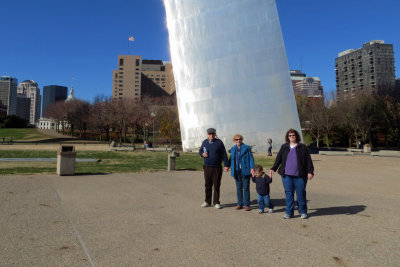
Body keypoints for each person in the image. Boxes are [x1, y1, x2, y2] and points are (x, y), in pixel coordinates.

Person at [270, 129, 314, 219]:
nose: (292, 136)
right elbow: (278, 159)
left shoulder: (303, 147)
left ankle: (303, 212)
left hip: (300, 175)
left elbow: (308, 160)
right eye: (290, 135)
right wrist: (273, 168)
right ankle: (289, 212)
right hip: (287, 175)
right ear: (287, 137)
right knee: (289, 194)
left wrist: (310, 172)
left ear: (296, 136)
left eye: (293, 135)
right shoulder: (284, 147)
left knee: (301, 193)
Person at [199, 128, 229, 209]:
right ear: (207, 134)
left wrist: (226, 165)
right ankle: (207, 202)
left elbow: (224, 154)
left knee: (216, 185)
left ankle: (216, 202)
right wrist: (202, 154)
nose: (211, 135)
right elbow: (200, 151)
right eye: (209, 134)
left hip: (217, 167)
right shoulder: (205, 142)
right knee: (208, 185)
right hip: (207, 167)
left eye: (213, 134)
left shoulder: (219, 142)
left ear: (215, 134)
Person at [226, 134, 255, 211]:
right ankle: (240, 204)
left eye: (240, 139)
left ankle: (247, 205)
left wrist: (252, 168)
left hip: (245, 170)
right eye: (236, 139)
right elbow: (230, 159)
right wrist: (227, 166)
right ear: (234, 141)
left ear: (242, 140)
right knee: (238, 188)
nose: (238, 141)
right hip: (236, 171)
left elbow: (251, 158)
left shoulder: (247, 148)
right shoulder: (232, 149)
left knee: (246, 188)